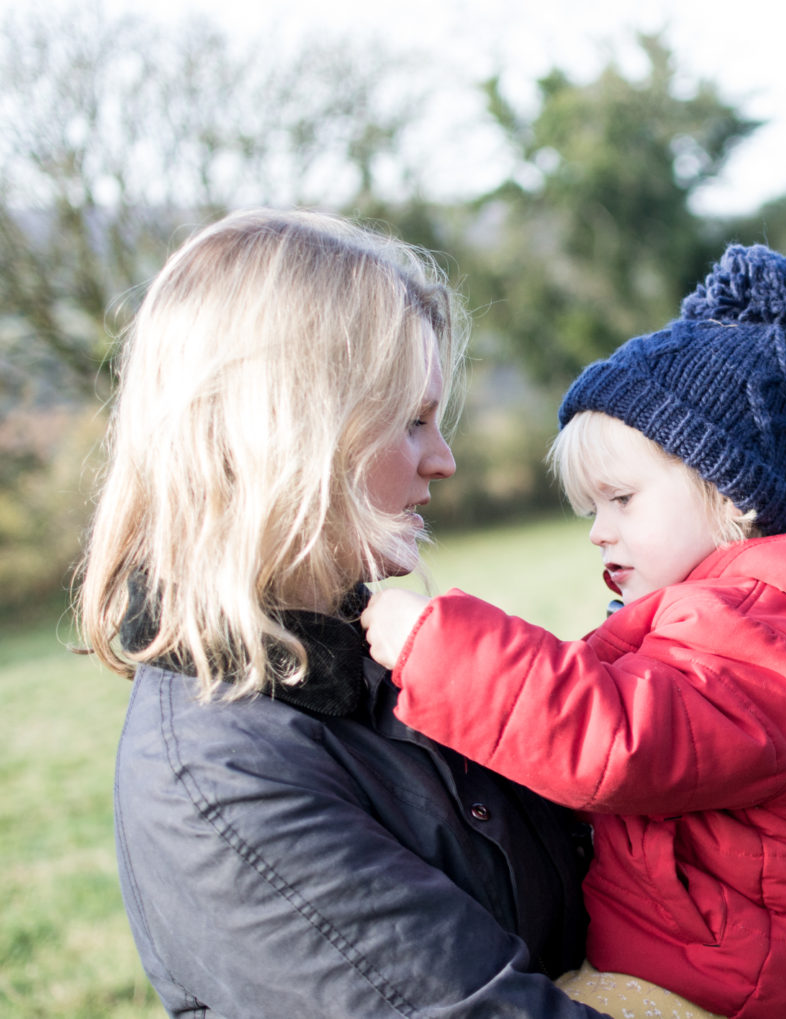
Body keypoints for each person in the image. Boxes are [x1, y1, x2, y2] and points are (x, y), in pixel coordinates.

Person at [361, 244, 786, 1019]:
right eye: (590, 509)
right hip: (697, 959)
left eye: (621, 499)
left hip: (714, 984)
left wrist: (435, 648)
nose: (599, 532)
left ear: (726, 492)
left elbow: (622, 738)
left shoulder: (759, 638)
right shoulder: (726, 615)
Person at [77, 208, 603, 1017]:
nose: (444, 457)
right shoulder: (221, 783)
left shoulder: (384, 651)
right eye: (410, 421)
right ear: (285, 432)